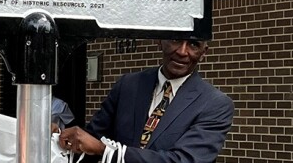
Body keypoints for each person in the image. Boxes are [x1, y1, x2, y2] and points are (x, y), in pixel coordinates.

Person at [58, 39, 234, 163]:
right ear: (159, 41)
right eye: (175, 40)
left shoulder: (214, 104)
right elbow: (92, 140)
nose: (182, 51)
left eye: (193, 44)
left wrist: (106, 151)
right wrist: (59, 136)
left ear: (203, 53)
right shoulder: (128, 85)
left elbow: (185, 160)